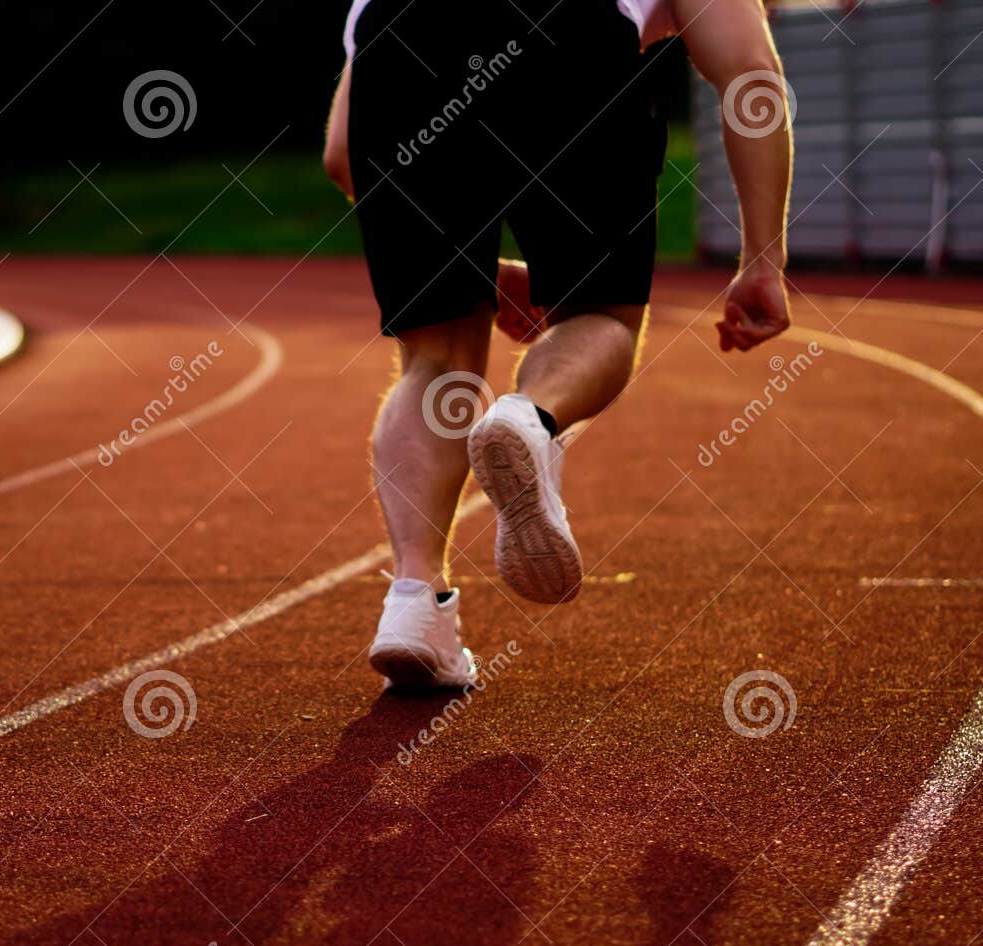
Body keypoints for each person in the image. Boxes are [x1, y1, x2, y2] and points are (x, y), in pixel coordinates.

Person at [325, 0, 793, 690]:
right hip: (571, 33)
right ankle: (531, 416)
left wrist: (470, 274)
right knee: (599, 313)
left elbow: (341, 153)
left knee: (434, 360)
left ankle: (414, 602)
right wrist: (763, 258)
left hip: (401, 39)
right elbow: (749, 72)